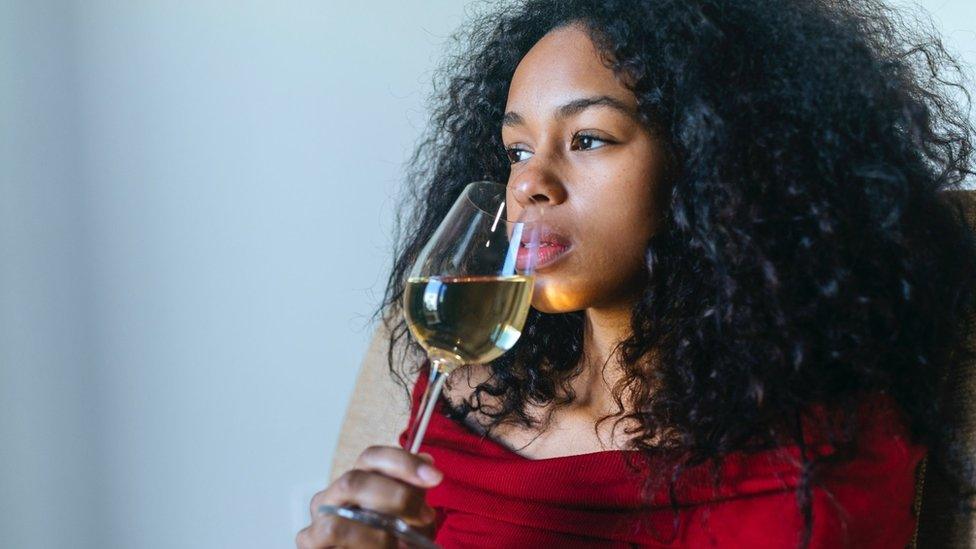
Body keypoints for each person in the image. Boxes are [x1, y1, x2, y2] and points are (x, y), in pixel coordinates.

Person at [297, 0, 976, 547]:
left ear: (711, 164)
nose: (529, 182)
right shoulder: (457, 394)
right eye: (516, 149)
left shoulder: (817, 460)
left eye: (588, 138)